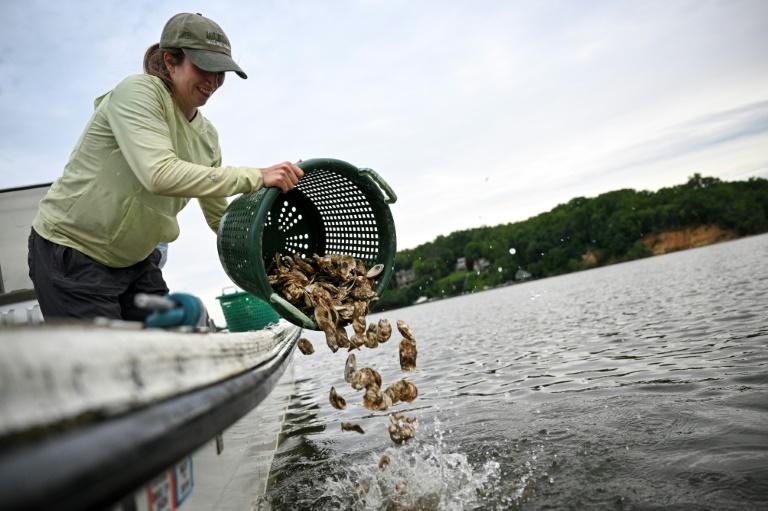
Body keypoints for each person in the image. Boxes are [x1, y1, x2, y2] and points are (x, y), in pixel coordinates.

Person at [28, 12, 303, 321]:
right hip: (73, 251)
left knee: (171, 352)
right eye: (205, 67)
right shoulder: (139, 93)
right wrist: (256, 176)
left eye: (221, 72)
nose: (213, 81)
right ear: (171, 61)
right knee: (106, 364)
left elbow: (221, 220)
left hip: (136, 262)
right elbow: (158, 174)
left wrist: (275, 256)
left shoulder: (208, 137)